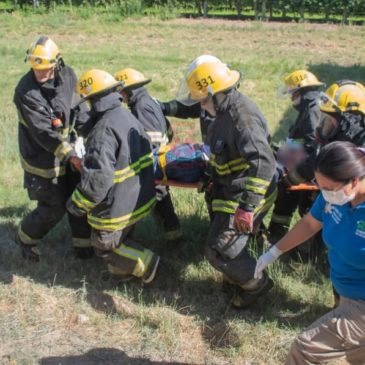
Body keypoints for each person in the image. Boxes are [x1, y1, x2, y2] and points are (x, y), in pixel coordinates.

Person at [255, 141, 365, 364]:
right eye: (320, 186)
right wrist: (274, 252)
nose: (324, 193)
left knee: (306, 349)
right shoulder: (336, 195)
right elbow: (310, 224)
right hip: (347, 296)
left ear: (354, 181)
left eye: (329, 188)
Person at [184, 58, 277, 308]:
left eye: (202, 99)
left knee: (220, 248)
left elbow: (263, 163)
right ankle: (237, 277)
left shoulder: (241, 118)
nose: (201, 106)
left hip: (250, 191)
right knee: (221, 245)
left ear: (215, 92)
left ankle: (256, 284)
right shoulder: (223, 109)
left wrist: (247, 208)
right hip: (231, 188)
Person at [66, 69, 159, 283]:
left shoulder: (102, 131)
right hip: (139, 196)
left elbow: (99, 179)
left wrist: (76, 204)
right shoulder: (125, 113)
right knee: (122, 236)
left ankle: (147, 263)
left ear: (94, 100)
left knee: (103, 244)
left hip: (119, 204)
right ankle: (122, 272)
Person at [13, 35, 92, 262]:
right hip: (42, 159)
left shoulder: (68, 77)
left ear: (57, 64)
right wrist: (70, 156)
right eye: (35, 69)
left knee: (78, 200)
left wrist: (88, 136)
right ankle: (25, 240)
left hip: (70, 154)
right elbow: (43, 133)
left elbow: (79, 109)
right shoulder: (25, 92)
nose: (40, 74)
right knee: (53, 207)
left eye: (45, 69)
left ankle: (83, 249)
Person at [114, 68, 182, 243]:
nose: (121, 96)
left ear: (129, 89)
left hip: (153, 163)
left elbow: (152, 138)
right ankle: (172, 236)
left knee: (155, 199)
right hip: (157, 160)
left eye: (121, 91)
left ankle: (172, 238)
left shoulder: (141, 106)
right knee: (160, 201)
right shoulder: (147, 101)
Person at [268, 70, 323, 246]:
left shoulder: (313, 111)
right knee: (286, 196)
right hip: (303, 165)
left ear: (300, 92)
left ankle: (307, 247)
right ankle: (278, 235)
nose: (291, 98)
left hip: (310, 171)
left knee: (295, 198)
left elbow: (313, 147)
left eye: (292, 94)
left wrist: (296, 173)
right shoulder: (308, 108)